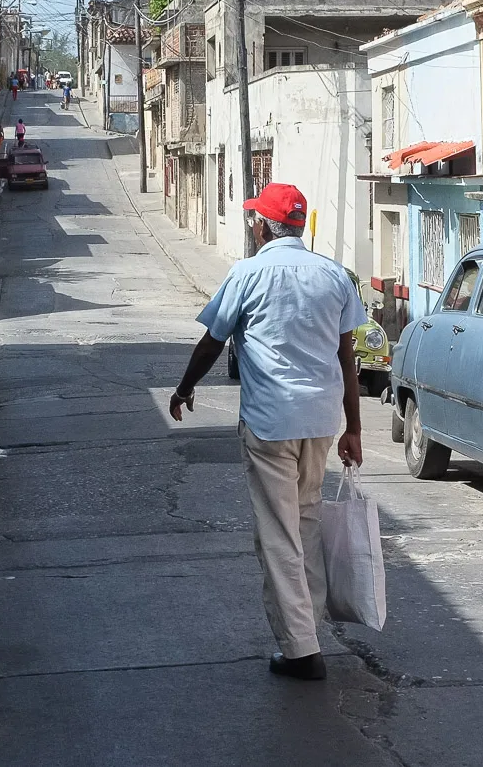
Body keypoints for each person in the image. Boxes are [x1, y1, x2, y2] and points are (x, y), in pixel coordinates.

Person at [169, 183, 365, 682]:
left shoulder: (248, 273)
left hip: (270, 422)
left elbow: (213, 341)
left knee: (279, 534)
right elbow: (346, 355)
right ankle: (309, 630)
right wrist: (355, 427)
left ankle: (301, 650)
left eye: (255, 219)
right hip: (321, 421)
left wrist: (184, 388)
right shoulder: (334, 275)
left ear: (264, 228)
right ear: (298, 226)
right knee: (306, 522)